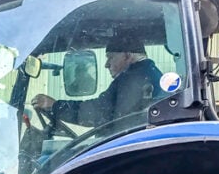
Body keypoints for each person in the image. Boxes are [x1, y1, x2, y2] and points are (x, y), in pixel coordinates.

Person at [30, 33, 163, 127]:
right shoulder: (148, 73)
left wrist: (55, 106)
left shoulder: (133, 78)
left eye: (110, 57)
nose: (106, 64)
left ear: (127, 56)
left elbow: (97, 112)